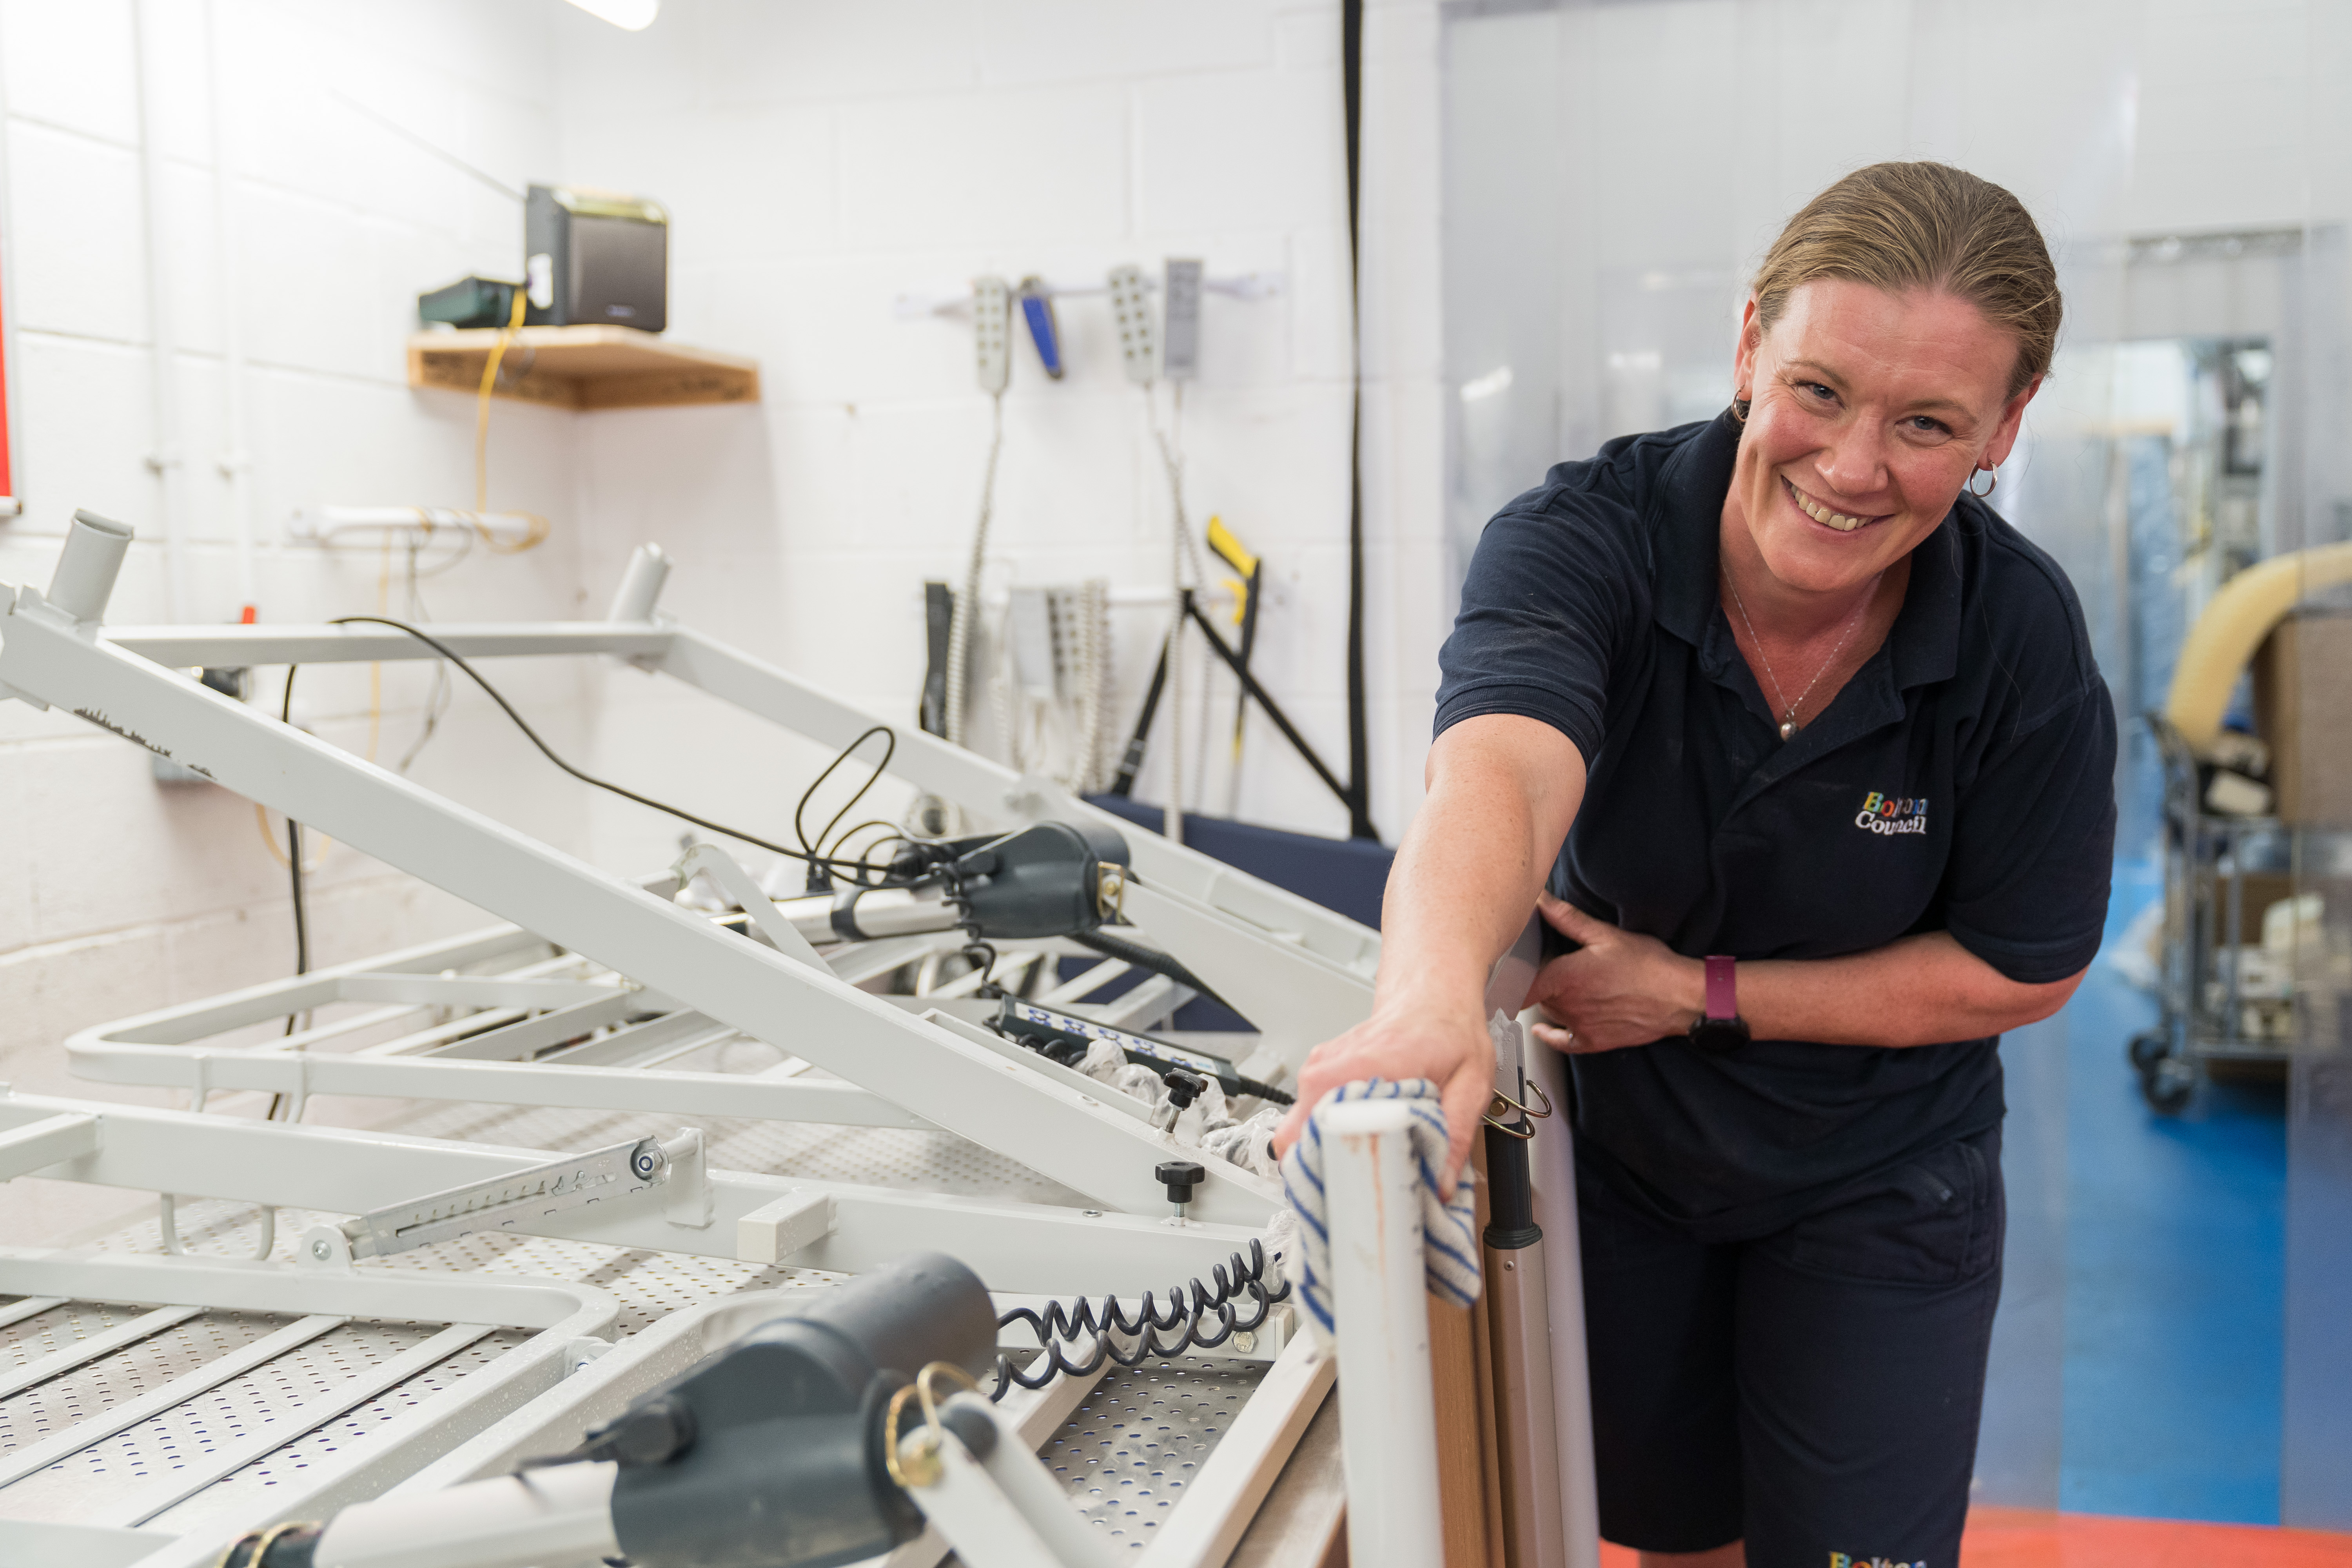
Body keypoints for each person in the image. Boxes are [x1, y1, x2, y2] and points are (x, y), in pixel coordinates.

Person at [1275, 163, 2116, 1567]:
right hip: (1633, 1164)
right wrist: (1428, 1001)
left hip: (1882, 1173)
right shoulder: (1588, 538)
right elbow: (1501, 769)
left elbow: (2022, 968)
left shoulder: (2017, 636)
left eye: (1926, 424)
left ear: (2006, 427)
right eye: (1819, 391)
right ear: (1746, 348)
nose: (1853, 467)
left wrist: (1692, 991)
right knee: (1677, 1542)